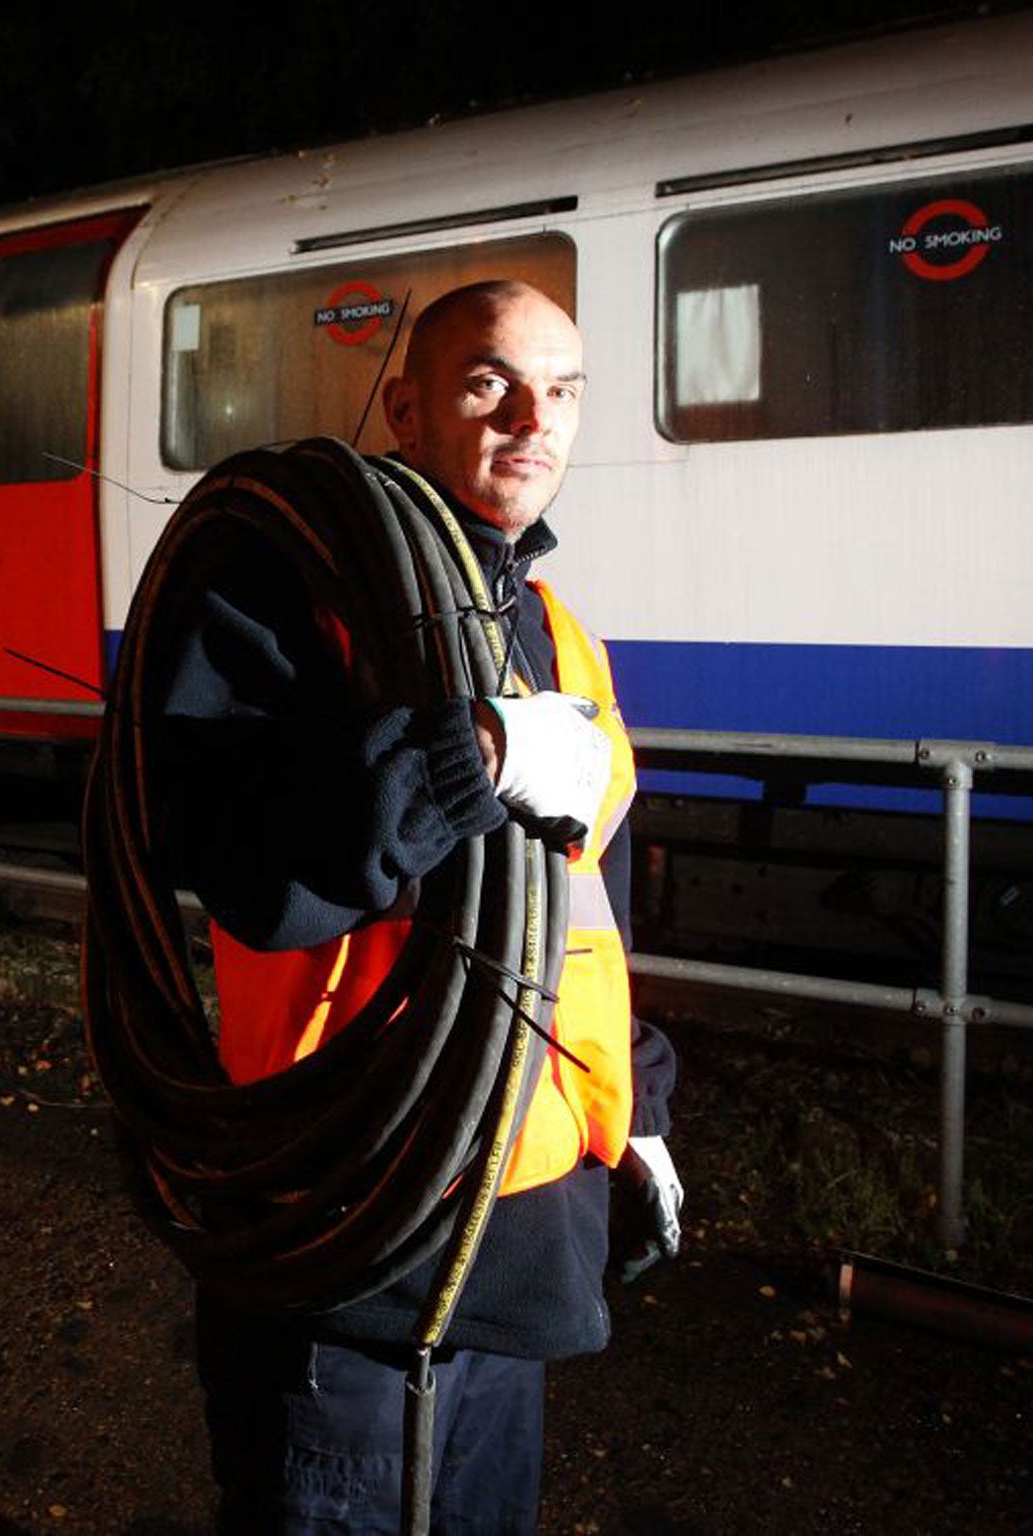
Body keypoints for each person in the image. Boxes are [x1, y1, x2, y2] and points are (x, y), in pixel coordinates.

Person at [152, 280, 680, 1534]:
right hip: (350, 1241)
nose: (530, 419)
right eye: (489, 382)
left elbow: (581, 916)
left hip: (523, 1239)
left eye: (561, 390)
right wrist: (469, 755)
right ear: (405, 405)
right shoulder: (280, 594)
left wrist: (638, 1104)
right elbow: (255, 873)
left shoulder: (556, 633)